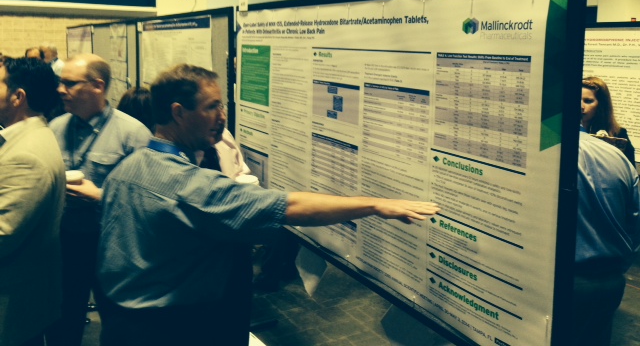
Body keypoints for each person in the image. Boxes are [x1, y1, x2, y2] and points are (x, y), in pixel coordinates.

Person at [97, 64, 440, 346]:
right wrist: (375, 205)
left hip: (121, 322)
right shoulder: (188, 186)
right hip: (171, 329)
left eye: (222, 105)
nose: (222, 115)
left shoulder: (127, 168)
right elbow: (287, 207)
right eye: (211, 106)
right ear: (178, 113)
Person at [45, 54, 152, 346]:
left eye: (70, 83)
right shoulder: (55, 128)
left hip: (112, 246)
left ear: (98, 86)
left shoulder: (133, 134)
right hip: (66, 241)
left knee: (118, 322)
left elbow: (147, 202)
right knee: (63, 319)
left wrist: (101, 197)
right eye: (60, 82)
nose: (60, 90)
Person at [0, 57, 66, 346]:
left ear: (18, 97)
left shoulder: (27, 155)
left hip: (11, 303)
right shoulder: (27, 137)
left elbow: (3, 235)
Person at [572, 127, 640, 345]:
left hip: (565, 281)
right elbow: (635, 222)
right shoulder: (616, 156)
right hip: (611, 281)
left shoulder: (547, 156)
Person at [581, 76, 635, 164]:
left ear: (601, 105)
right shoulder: (561, 132)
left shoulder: (618, 134)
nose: (581, 106)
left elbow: (629, 172)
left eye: (588, 101)